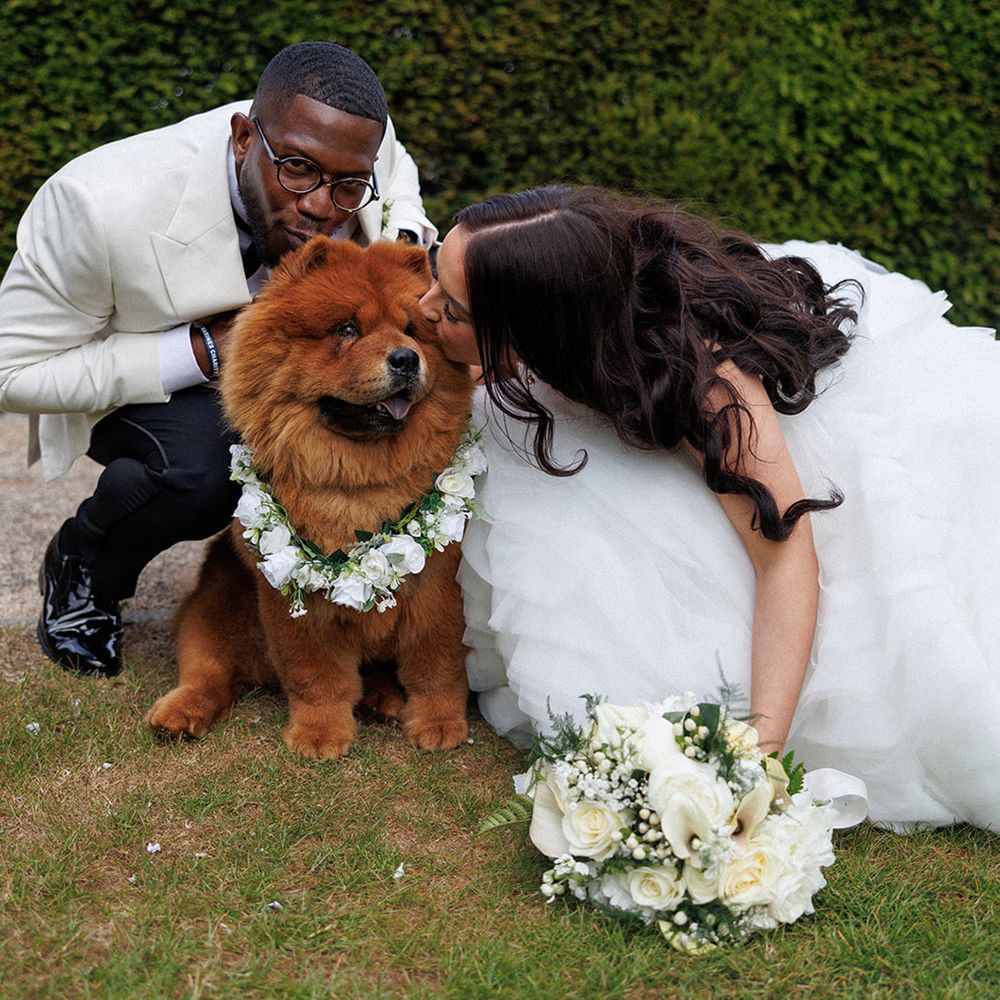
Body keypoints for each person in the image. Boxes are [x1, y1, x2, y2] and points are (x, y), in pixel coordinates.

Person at [418, 185, 1000, 832]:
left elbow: (784, 557)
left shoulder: (703, 381)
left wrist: (759, 757)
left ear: (536, 329)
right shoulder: (559, 294)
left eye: (453, 310)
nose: (423, 308)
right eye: (435, 278)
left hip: (834, 446)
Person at [0, 42, 436, 678]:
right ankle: (85, 565)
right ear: (241, 139)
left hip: (307, 361)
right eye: (295, 170)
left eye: (346, 186)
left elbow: (396, 174)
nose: (320, 205)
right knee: (205, 474)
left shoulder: (362, 136)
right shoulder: (94, 205)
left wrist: (400, 241)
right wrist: (202, 350)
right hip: (152, 375)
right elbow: (10, 370)